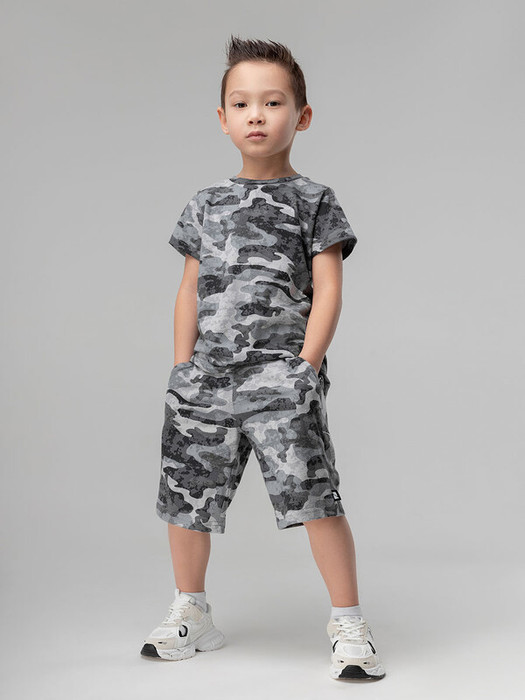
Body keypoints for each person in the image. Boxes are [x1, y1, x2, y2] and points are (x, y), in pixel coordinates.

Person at [140, 35, 386, 682]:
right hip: (205, 380)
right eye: (242, 104)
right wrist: (182, 367)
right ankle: (191, 610)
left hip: (281, 379)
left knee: (315, 498)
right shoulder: (204, 204)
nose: (257, 115)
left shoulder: (315, 201)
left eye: (273, 102)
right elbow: (189, 289)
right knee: (187, 498)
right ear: (222, 118)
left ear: (301, 116)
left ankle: (349, 623)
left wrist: (306, 366)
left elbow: (328, 289)